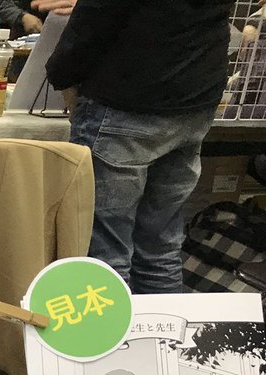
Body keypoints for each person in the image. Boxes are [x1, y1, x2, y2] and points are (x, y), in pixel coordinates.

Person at [46, 0, 236, 293]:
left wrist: (61, 73)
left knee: (105, 256)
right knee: (160, 250)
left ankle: (114, 326)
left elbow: (95, 19)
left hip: (127, 98)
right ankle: (164, 325)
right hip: (195, 97)